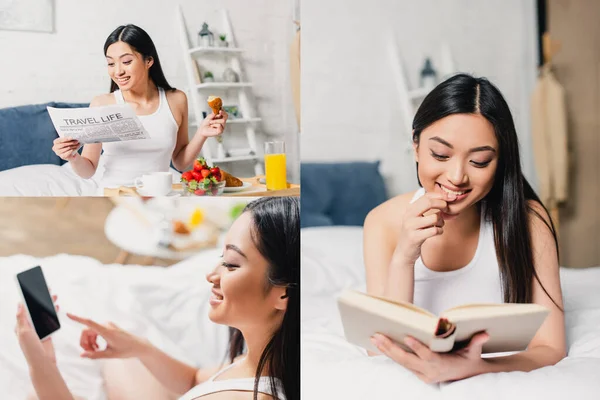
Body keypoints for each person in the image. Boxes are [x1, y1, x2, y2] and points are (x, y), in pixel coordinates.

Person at [363, 74, 566, 383]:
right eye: (440, 155)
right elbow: (381, 348)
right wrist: (404, 256)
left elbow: (550, 347)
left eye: (480, 161)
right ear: (416, 146)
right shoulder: (382, 221)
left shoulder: (529, 220)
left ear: (500, 163)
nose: (457, 176)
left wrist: (473, 368)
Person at [15, 197, 300, 400]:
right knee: (119, 334)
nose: (211, 275)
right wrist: (139, 348)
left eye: (232, 264)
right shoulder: (268, 359)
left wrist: (41, 363)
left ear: (284, 292)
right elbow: (194, 380)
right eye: (220, 258)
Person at [51, 24, 228, 188]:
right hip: (115, 195)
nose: (118, 71)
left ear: (148, 61)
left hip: (159, 196)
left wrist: (202, 133)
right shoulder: (102, 104)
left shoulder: (176, 99)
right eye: (111, 63)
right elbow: (88, 170)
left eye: (126, 61)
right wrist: (72, 156)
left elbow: (181, 163)